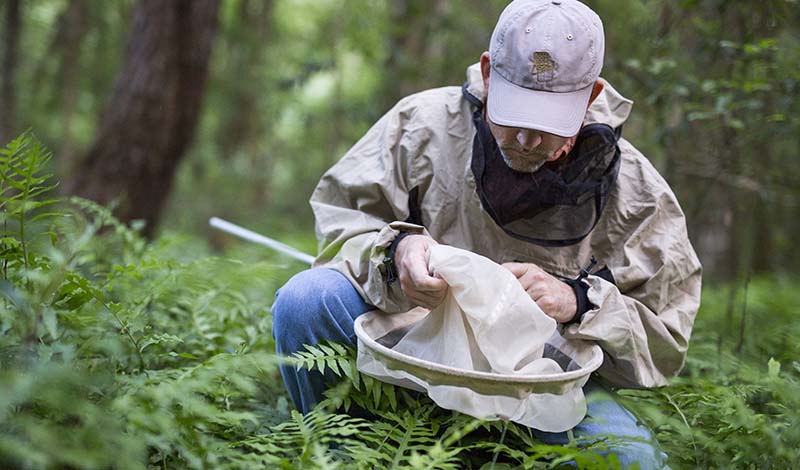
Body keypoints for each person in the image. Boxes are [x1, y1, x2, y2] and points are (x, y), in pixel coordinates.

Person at [272, 0, 702, 467]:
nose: (525, 140)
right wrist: (397, 250)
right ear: (489, 72)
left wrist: (578, 301)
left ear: (590, 95)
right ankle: (344, 456)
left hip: (538, 385)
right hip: (408, 354)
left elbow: (665, 338)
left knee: (634, 461)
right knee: (305, 300)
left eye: (548, 124)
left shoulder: (636, 193)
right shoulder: (421, 127)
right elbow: (342, 223)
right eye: (514, 113)